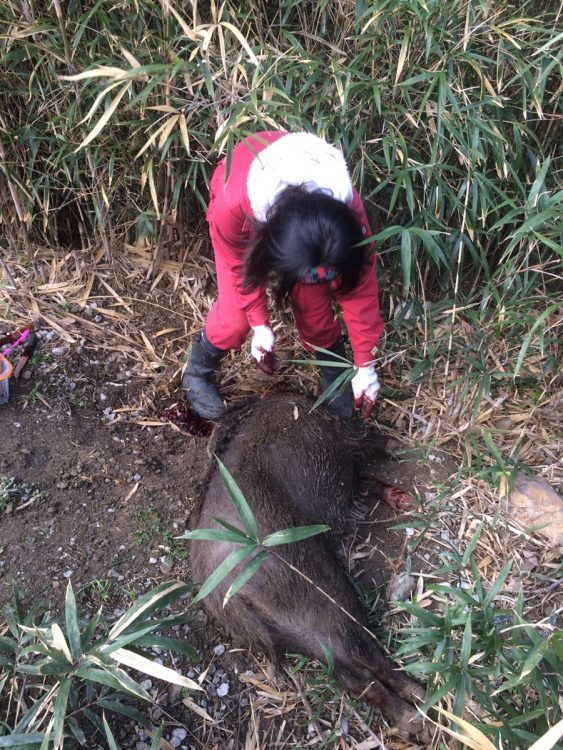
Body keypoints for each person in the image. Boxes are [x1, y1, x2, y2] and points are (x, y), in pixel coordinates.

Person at [182, 130, 384, 420]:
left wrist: (365, 364)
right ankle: (197, 372)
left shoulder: (345, 210)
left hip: (304, 224)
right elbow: (235, 265)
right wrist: (259, 322)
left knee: (315, 308)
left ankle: (334, 374)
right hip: (244, 193)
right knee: (234, 316)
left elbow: (359, 288)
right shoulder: (234, 202)